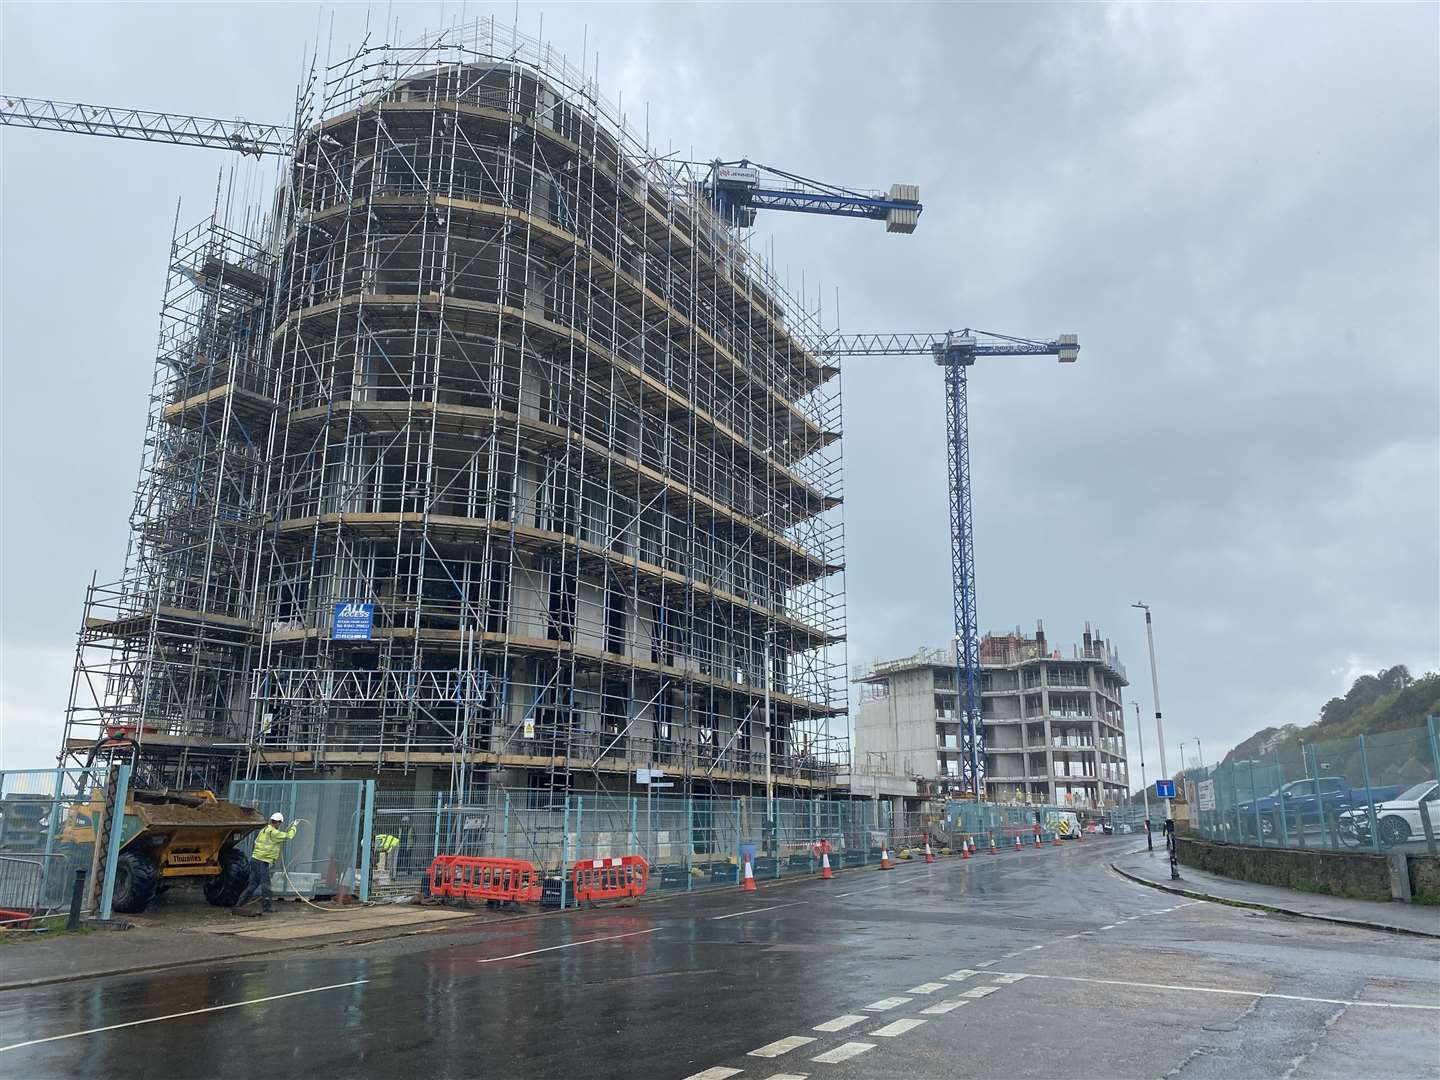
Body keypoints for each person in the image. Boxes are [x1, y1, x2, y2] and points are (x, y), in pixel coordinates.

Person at [235, 812, 299, 915]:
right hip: (262, 861)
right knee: (266, 885)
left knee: (253, 884)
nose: (279, 825)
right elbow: (289, 836)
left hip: (255, 859)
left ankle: (239, 904)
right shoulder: (273, 833)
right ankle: (267, 907)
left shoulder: (264, 830)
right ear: (278, 822)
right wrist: (294, 827)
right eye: (280, 823)